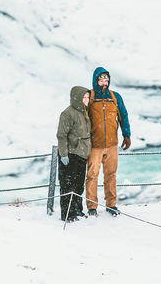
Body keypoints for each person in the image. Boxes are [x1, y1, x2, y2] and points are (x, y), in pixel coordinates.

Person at [85, 67, 131, 216]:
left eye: (106, 80)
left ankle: (111, 205)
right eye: (101, 80)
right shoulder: (89, 96)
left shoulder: (115, 96)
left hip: (112, 145)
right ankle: (92, 207)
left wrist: (127, 135)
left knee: (111, 175)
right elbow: (81, 119)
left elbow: (123, 116)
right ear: (95, 80)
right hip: (94, 145)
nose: (104, 83)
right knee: (92, 176)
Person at [55, 86, 91, 222]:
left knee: (78, 185)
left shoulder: (85, 112)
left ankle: (77, 211)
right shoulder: (68, 113)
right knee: (67, 186)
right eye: (84, 97)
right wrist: (63, 154)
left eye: (88, 97)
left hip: (82, 153)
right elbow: (61, 135)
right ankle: (67, 214)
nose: (87, 100)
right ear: (77, 98)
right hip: (70, 154)